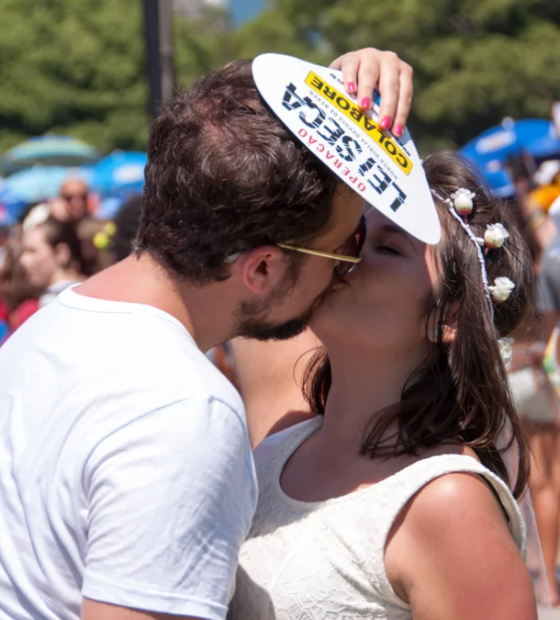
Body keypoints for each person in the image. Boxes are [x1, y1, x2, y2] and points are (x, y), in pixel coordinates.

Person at [0, 48, 414, 620]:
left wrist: (328, 98)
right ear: (262, 268)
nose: (349, 263)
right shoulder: (185, 410)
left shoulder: (54, 326)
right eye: (344, 243)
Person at [228, 151, 538, 620]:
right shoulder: (278, 445)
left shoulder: (446, 504)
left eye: (389, 249)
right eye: (355, 235)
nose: (347, 256)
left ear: (448, 316)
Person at [20, 215, 86, 307]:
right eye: (23, 251)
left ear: (61, 253)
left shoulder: (57, 303)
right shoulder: (90, 292)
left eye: (32, 251)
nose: (23, 260)